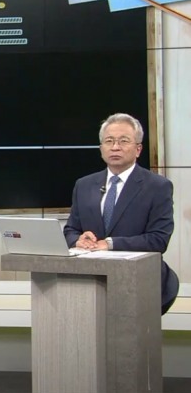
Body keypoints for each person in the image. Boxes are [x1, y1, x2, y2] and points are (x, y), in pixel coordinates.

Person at [63, 113, 178, 315]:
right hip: (89, 283)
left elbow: (158, 239)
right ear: (101, 148)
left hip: (139, 282)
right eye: (109, 141)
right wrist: (78, 240)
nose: (115, 147)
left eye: (123, 141)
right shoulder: (84, 185)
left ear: (138, 149)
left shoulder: (157, 187)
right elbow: (70, 230)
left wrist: (110, 244)